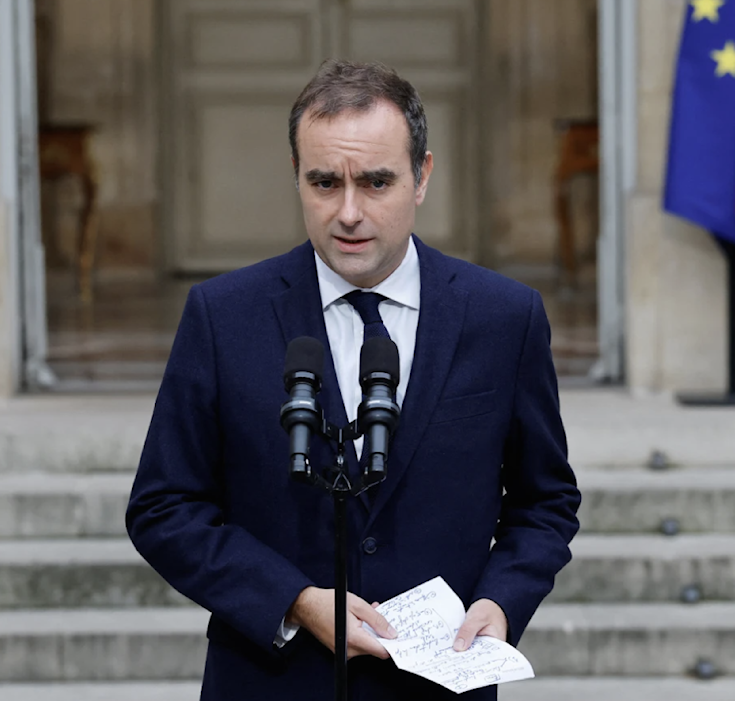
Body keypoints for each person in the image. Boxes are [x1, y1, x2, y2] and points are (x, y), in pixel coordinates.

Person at [126, 59, 580, 700]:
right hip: (271, 682)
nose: (348, 212)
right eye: (323, 182)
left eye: (375, 182)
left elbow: (545, 501)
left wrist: (502, 602)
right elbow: (163, 507)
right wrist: (293, 601)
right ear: (296, 179)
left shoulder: (504, 317)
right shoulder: (223, 316)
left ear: (422, 176)